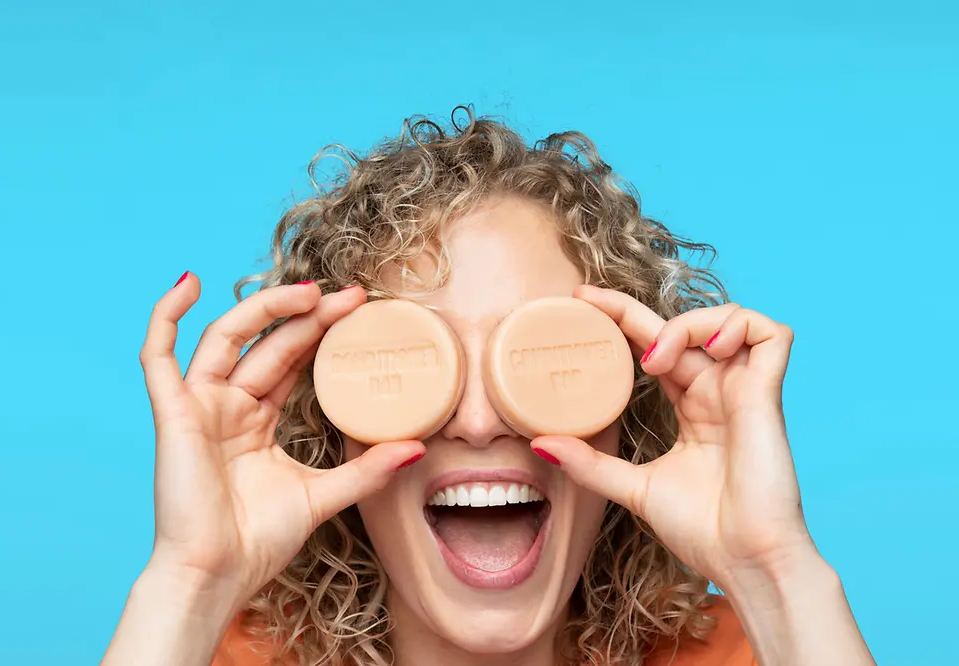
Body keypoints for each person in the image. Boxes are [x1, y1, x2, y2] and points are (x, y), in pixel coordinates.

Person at [102, 107, 875, 666]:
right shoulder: (210, 653)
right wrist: (190, 584)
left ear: (631, 405)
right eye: (414, 363)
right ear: (328, 417)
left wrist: (774, 572)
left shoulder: (751, 652)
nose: (477, 420)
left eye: (540, 360)